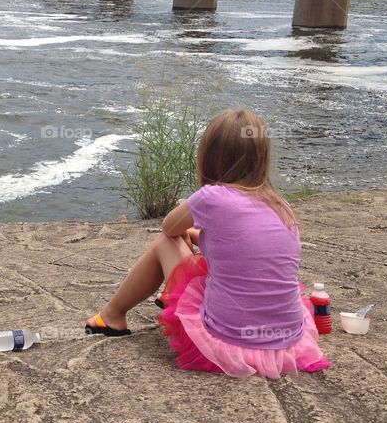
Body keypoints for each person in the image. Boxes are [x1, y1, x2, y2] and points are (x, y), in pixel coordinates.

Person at [85, 108, 330, 378]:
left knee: (165, 242)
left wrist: (188, 223)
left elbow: (169, 227)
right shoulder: (280, 204)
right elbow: (237, 249)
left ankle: (112, 316)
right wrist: (196, 235)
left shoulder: (212, 196)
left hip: (227, 341)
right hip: (285, 341)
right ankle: (157, 300)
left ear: (211, 157)